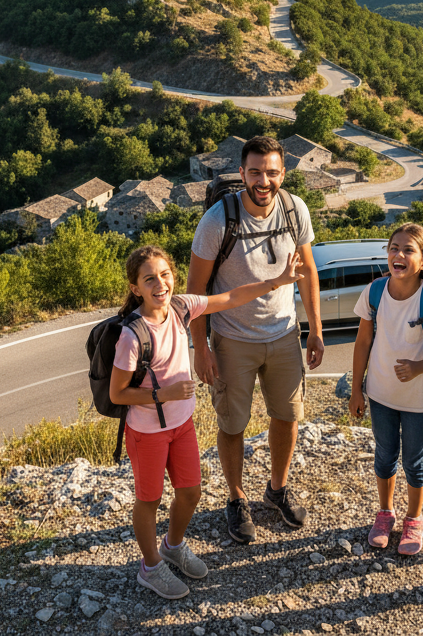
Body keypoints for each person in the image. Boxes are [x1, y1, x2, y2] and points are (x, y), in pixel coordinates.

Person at [109, 244, 305, 600]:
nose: (160, 284)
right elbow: (117, 394)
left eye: (165, 274)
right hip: (147, 432)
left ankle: (173, 545)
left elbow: (230, 297)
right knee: (149, 500)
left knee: (191, 493)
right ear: (136, 288)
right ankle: (150, 567)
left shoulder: (182, 307)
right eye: (149, 278)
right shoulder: (131, 335)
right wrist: (162, 395)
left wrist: (277, 281)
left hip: (181, 425)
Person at [187, 135, 323, 544]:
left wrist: (314, 328)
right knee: (233, 424)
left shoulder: (295, 209)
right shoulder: (217, 220)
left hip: (283, 333)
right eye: (256, 172)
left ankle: (276, 489)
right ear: (242, 172)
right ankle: (236, 497)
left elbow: (309, 272)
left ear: (283, 173)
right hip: (232, 339)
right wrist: (201, 348)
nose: (264, 181)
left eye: (273, 172)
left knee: (288, 416)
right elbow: (196, 290)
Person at [348, 224, 423, 556]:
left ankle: (414, 518)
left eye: (408, 250)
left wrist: (418, 368)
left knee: (414, 459)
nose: (399, 254)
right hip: (379, 393)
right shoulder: (374, 291)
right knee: (384, 455)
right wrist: (356, 390)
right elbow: (363, 341)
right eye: (394, 248)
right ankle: (385, 513)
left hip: (418, 397)